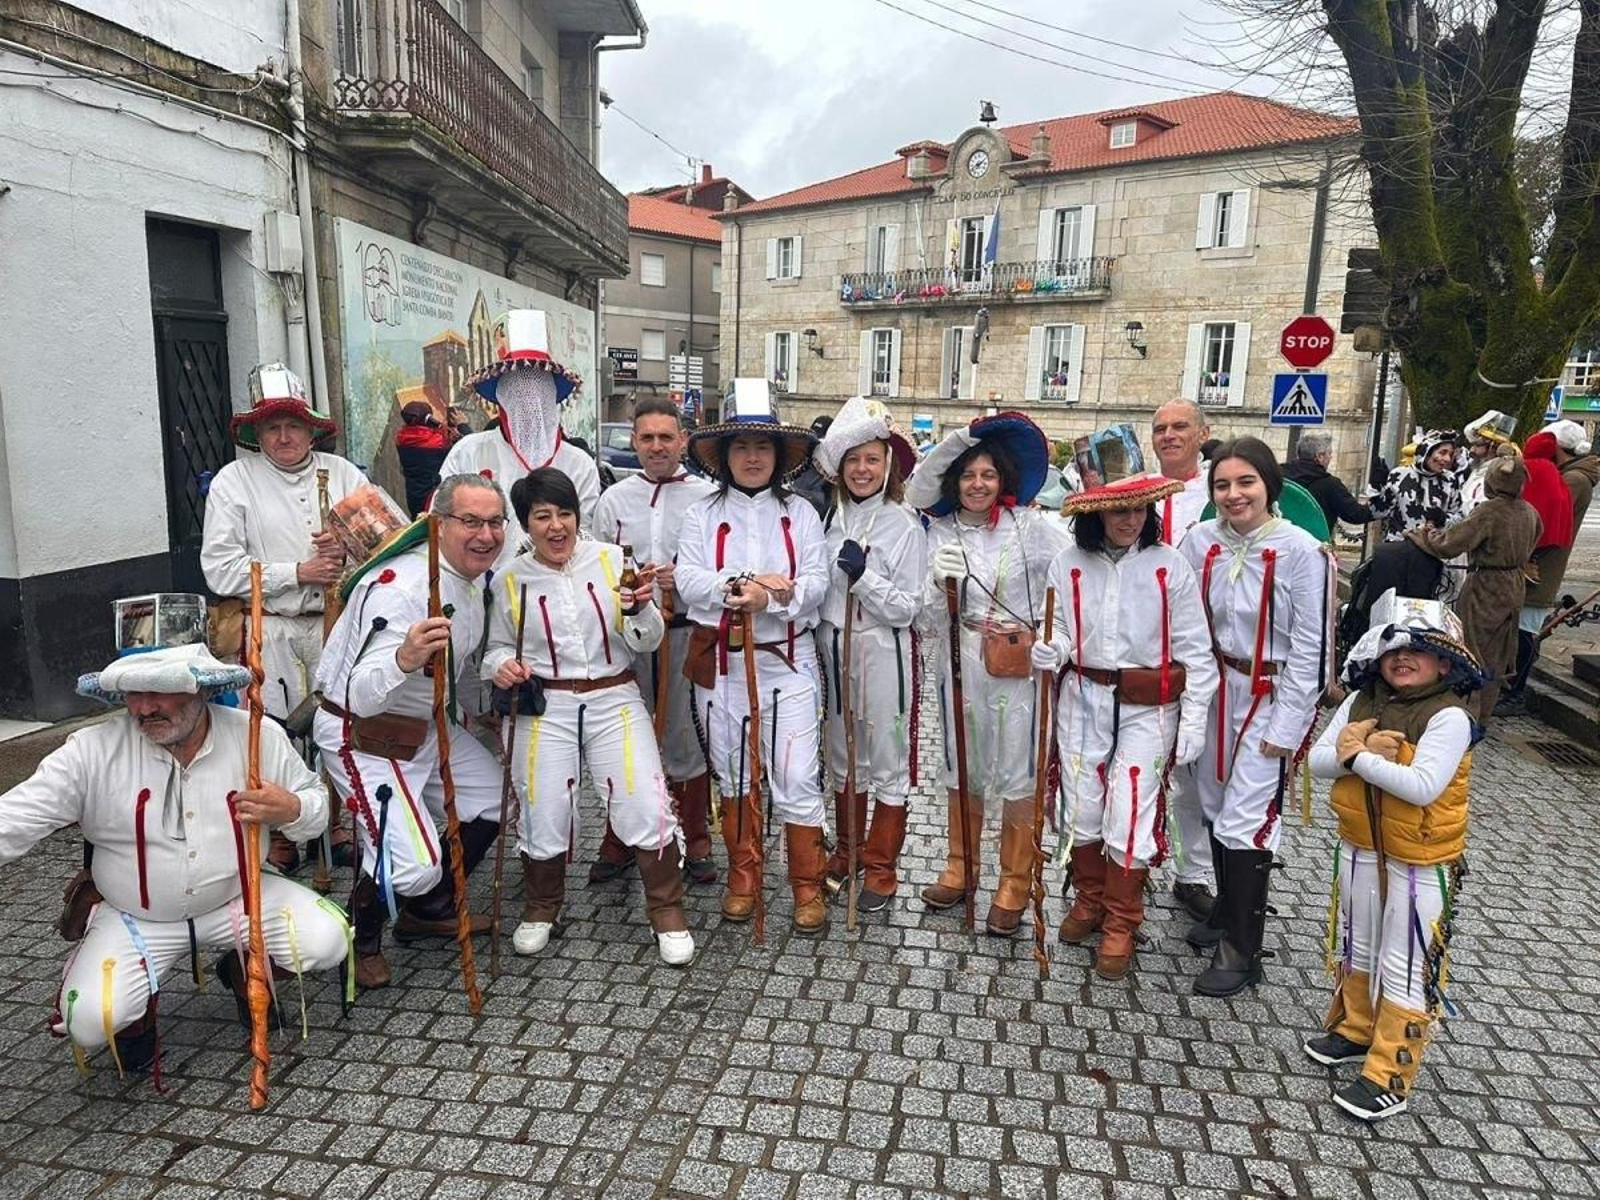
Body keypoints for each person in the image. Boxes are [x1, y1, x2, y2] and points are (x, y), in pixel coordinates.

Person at [0, 601, 349, 1081]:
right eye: (131, 691)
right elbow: (14, 817)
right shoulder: (90, 752)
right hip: (137, 916)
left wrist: (292, 809)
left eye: (159, 690)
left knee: (326, 940)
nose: (143, 707)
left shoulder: (255, 736)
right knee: (89, 1020)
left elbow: (317, 807)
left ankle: (242, 965)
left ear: (199, 687)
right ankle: (136, 1020)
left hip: (238, 899)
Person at [483, 468, 694, 966]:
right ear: (525, 525)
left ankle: (666, 908)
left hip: (613, 695)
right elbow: (492, 649)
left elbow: (646, 642)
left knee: (642, 796)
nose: (556, 527)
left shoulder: (611, 561)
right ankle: (542, 906)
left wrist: (641, 612)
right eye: (542, 517)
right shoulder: (510, 580)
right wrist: (501, 666)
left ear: (578, 517)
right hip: (544, 704)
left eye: (565, 514)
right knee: (544, 804)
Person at [312, 474, 509, 989]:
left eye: (494, 522)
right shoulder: (400, 591)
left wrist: (479, 710)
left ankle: (430, 907)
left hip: (422, 726)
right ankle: (361, 935)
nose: (485, 535)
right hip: (361, 735)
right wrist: (403, 658)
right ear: (438, 524)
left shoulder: (465, 582)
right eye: (470, 521)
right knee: (411, 866)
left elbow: (459, 668)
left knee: (494, 796)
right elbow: (358, 695)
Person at [1306, 592, 1484, 1122]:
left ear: (1444, 661)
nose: (1402, 658)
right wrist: (1357, 756)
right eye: (1392, 650)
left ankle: (1391, 1073)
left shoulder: (1449, 716)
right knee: (1357, 944)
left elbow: (1423, 786)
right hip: (1360, 847)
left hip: (1420, 860)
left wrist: (1356, 756)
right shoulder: (1358, 702)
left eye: (1418, 650)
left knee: (1405, 963)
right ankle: (1356, 1029)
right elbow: (1318, 761)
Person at [1032, 476, 1218, 979]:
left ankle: (1122, 920)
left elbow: (1196, 650)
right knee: (1083, 803)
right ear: (1096, 516)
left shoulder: (1169, 566)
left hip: (1148, 706)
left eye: (1139, 510)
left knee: (1131, 807)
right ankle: (1090, 900)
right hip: (1083, 699)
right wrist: (1056, 648)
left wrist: (1195, 718)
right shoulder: (1067, 564)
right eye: (1119, 512)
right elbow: (1061, 629)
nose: (1130, 520)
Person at [1179, 437, 1336, 996]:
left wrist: (1288, 726)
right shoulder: (1199, 542)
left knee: (1248, 816)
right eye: (1222, 484)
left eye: (1245, 482)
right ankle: (1226, 909)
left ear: (1270, 485)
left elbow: (1314, 647)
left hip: (1267, 694)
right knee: (1217, 803)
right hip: (1213, 689)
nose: (1233, 494)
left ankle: (1242, 950)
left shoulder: (1302, 551)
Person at [675, 381, 831, 934]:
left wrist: (778, 595)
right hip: (722, 667)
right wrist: (736, 586)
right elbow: (686, 578)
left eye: (762, 447)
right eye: (741, 446)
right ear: (724, 455)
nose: (752, 457)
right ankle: (745, 876)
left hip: (787, 664)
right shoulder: (700, 516)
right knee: (734, 773)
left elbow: (817, 582)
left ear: (779, 456)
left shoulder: (804, 516)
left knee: (795, 774)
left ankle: (807, 886)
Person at [909, 412, 1071, 936]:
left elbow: (1064, 591)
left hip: (1018, 666)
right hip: (959, 659)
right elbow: (924, 618)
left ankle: (1013, 880)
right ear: (955, 482)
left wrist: (1055, 640)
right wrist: (938, 584)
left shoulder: (1034, 529)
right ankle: (962, 865)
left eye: (988, 475)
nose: (978, 485)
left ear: (1002, 479)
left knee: (1019, 769)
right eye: (968, 476)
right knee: (964, 763)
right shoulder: (938, 532)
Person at [201, 362, 366, 871]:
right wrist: (296, 571)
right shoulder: (235, 481)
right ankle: (283, 831)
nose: (283, 435)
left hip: (334, 625)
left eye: (293, 424)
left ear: (311, 428)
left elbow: (384, 544)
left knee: (337, 727)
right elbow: (219, 568)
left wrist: (347, 550)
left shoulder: (343, 475)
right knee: (270, 731)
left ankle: (338, 820)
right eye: (271, 426)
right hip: (268, 628)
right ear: (257, 434)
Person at [592, 398, 719, 886]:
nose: (657, 446)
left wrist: (681, 579)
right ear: (634, 441)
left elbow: (716, 568)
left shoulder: (705, 497)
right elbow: (598, 565)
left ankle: (696, 835)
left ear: (683, 440)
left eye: (666, 437)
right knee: (625, 735)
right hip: (628, 638)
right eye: (647, 438)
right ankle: (622, 834)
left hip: (686, 633)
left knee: (685, 734)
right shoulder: (615, 500)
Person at [811, 397, 927, 911]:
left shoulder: (903, 524)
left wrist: (866, 577)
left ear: (888, 466)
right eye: (853, 460)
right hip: (834, 644)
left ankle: (882, 864)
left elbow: (909, 607)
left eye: (872, 459)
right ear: (840, 467)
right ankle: (848, 850)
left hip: (883, 648)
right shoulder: (828, 519)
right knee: (842, 754)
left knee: (885, 756)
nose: (862, 469)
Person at [441, 310, 601, 562]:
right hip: (481, 582)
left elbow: (586, 533)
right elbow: (443, 521)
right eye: (518, 391)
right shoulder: (468, 452)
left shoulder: (579, 464)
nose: (529, 404)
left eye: (539, 391)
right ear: (502, 397)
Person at [1148, 399, 1218, 923]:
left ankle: (1195, 873)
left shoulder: (1220, 492)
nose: (1169, 436)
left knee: (1197, 773)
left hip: (1203, 648)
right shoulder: (1140, 490)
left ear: (1203, 432)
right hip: (1142, 650)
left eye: (1179, 427)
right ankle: (1129, 859)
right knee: (1141, 764)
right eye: (1160, 429)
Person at [1409, 449, 1541, 719]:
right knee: (1498, 652)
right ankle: (1483, 712)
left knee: (1473, 649)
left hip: (1487, 586)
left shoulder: (1490, 511)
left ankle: (1465, 713)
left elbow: (1450, 543)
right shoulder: (1529, 511)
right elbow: (1536, 538)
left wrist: (1426, 535)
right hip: (1515, 585)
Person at [1500, 420, 1598, 713]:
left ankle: (1515, 694)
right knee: (1520, 629)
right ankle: (1512, 687)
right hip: (1536, 564)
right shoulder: (1569, 475)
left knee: (1525, 631)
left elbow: (1543, 523)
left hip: (1541, 567)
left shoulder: (1574, 480)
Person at [1367, 430, 1462, 541]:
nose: (1447, 459)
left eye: (1450, 454)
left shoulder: (1450, 480)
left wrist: (1443, 520)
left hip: (1433, 550)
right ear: (1426, 452)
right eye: (1442, 453)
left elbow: (1460, 519)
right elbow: (1378, 513)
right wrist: (1376, 488)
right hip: (1399, 547)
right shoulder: (1399, 475)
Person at [1283, 431, 1373, 533]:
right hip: (1315, 543)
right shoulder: (1331, 485)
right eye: (1329, 453)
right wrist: (1380, 503)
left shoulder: (1278, 475)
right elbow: (1355, 515)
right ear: (1320, 456)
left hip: (1278, 542)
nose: (1330, 457)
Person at [395, 400, 453, 516]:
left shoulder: (401, 438)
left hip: (414, 495)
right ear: (428, 418)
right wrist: (441, 425)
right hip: (432, 497)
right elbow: (452, 446)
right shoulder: (437, 442)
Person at [788, 414, 836, 520]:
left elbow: (822, 503)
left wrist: (790, 492)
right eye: (812, 441)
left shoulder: (831, 473)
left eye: (819, 443)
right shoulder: (802, 463)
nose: (814, 446)